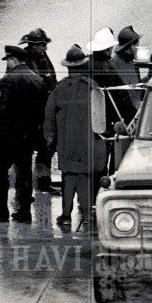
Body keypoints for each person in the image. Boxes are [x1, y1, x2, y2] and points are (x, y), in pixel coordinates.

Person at [43, 44, 108, 231]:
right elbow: (101, 119)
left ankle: (65, 215)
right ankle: (87, 215)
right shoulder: (93, 88)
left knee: (68, 176)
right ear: (83, 65)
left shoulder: (59, 88)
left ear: (68, 67)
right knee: (85, 176)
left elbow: (48, 117)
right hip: (86, 141)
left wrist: (50, 140)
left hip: (65, 142)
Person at [0, 45, 45, 223]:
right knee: (24, 173)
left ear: (12, 59)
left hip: (5, 137)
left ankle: (1, 208)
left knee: (1, 173)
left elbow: (0, 110)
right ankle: (24, 211)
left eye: (8, 60)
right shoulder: (37, 80)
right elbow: (41, 111)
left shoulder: (7, 80)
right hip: (26, 137)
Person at [19, 28, 57, 192]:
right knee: (24, 153)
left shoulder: (43, 58)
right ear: (33, 45)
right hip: (30, 115)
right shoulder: (26, 61)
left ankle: (43, 183)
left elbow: (51, 78)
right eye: (41, 45)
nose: (44, 48)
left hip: (44, 113)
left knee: (46, 149)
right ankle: (24, 186)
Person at [110, 25, 143, 125]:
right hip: (126, 118)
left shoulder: (132, 63)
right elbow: (122, 94)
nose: (138, 48)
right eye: (137, 45)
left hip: (136, 114)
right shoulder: (115, 64)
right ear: (131, 46)